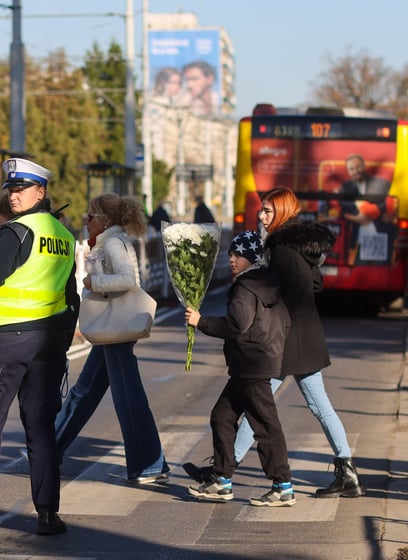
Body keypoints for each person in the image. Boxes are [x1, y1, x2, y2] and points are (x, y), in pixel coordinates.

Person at [185, 187, 364, 499]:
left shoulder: (280, 248)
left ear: (282, 212)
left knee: (259, 407)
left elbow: (271, 291)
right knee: (308, 406)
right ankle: (346, 471)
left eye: (268, 211)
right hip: (304, 335)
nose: (261, 216)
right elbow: (316, 283)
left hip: (285, 338)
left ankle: (225, 472)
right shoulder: (298, 247)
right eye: (262, 210)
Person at [0, 157, 79, 536]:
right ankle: (47, 514)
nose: (14, 196)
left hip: (6, 341)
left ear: (40, 192)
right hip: (46, 344)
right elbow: (71, 298)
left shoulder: (14, 233)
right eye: (11, 190)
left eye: (21, 190)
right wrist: (60, 342)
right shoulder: (63, 235)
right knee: (41, 430)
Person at [53, 193, 170, 484]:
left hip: (117, 327)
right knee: (84, 392)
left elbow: (127, 279)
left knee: (128, 398)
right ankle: (49, 448)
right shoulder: (105, 242)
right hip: (111, 326)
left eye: (90, 216)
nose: (85, 220)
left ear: (104, 220)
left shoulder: (114, 243)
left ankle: (149, 464)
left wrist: (94, 283)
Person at [185, 231, 295, 507]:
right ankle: (222, 481)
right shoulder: (268, 282)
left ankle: (282, 485)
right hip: (254, 362)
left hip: (250, 364)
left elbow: (236, 325)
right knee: (221, 417)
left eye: (238, 255)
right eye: (231, 254)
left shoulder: (245, 287)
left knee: (265, 426)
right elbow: (284, 322)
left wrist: (201, 321)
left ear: (251, 257)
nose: (232, 260)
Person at [339, 154, 394, 262]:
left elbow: (394, 199)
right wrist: (356, 218)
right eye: (352, 169)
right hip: (358, 239)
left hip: (381, 235)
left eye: (358, 167)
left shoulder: (382, 183)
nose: (355, 171)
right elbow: (342, 209)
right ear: (348, 171)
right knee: (360, 269)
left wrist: (391, 213)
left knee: (381, 271)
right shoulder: (345, 187)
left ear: (364, 166)